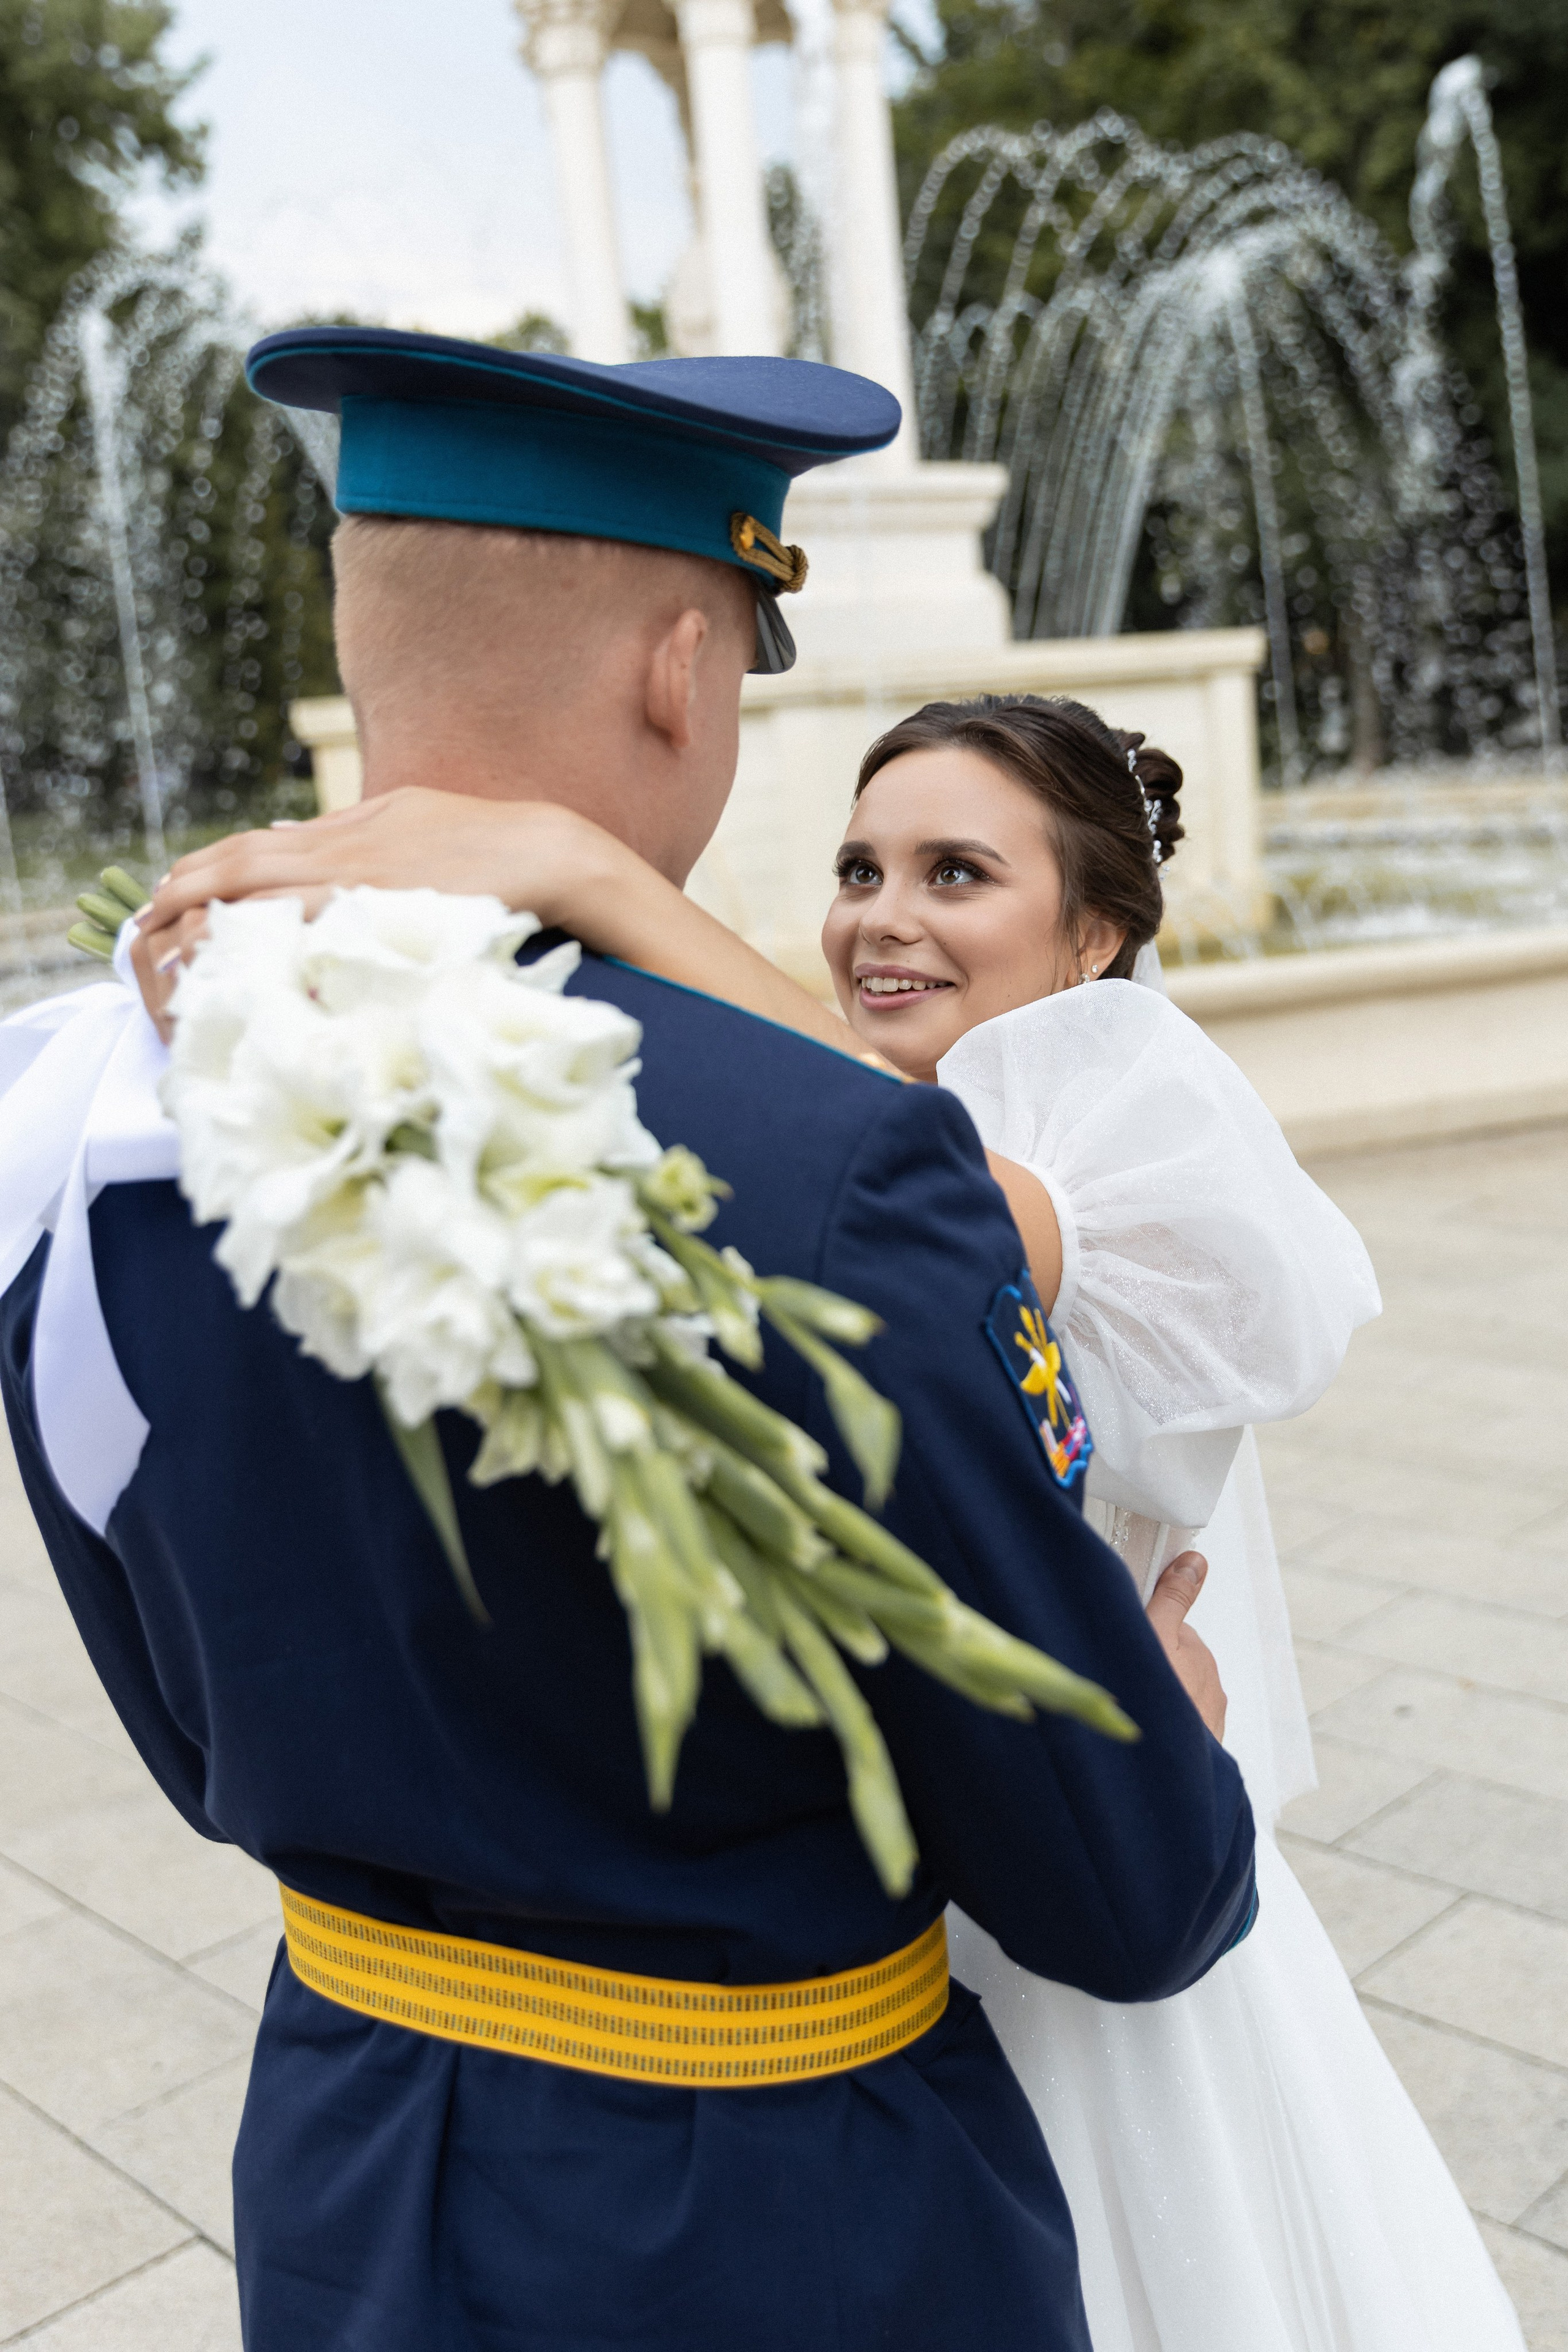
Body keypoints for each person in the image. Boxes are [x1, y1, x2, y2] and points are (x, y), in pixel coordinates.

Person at [0, 330, 1257, 2352]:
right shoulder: (835, 1165)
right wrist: (1171, 1726)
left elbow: (180, 1719)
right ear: (684, 667)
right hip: (771, 2211)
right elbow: (1131, 1899)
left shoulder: (78, 1115)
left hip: (340, 2162)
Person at [141, 687, 1526, 2352]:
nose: (882, 918)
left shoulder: (1141, 1122)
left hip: (1103, 1854)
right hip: (883, 1900)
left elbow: (927, 1203)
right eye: (861, 869)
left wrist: (603, 880)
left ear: (1094, 937)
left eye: (957, 876)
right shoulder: (847, 1140)